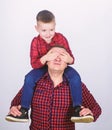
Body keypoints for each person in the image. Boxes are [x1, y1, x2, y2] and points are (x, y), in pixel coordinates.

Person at [6, 10, 87, 123]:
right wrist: (46, 57)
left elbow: (70, 58)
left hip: (60, 67)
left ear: (55, 26)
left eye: (51, 30)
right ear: (37, 28)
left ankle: (77, 108)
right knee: (29, 78)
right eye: (44, 30)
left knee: (75, 77)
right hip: (41, 67)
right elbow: (34, 64)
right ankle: (24, 110)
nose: (48, 34)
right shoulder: (35, 42)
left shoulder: (61, 38)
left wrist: (69, 59)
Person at [6, 46, 102, 130]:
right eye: (53, 55)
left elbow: (96, 108)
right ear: (46, 62)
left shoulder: (76, 86)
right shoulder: (33, 83)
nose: (57, 59)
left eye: (62, 56)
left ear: (67, 64)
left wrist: (90, 113)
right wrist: (14, 109)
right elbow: (15, 104)